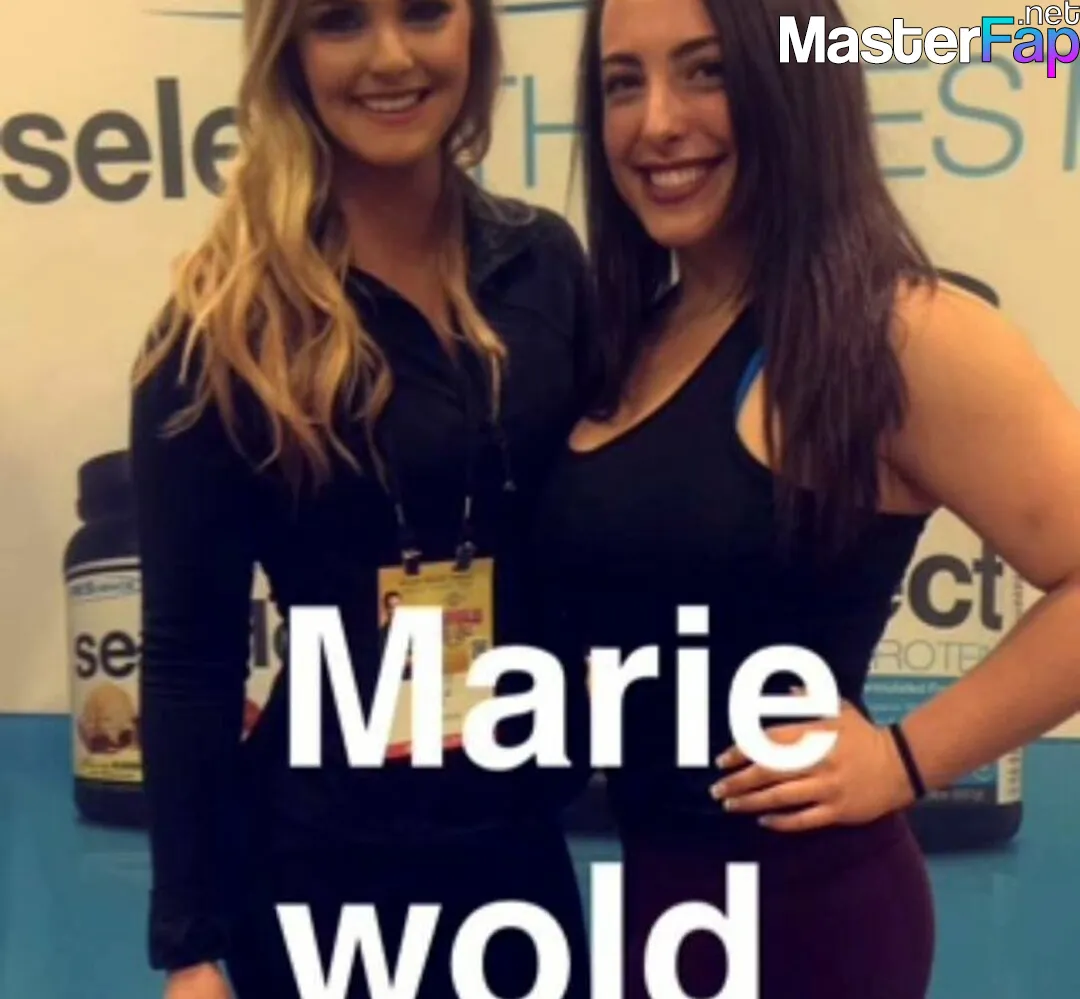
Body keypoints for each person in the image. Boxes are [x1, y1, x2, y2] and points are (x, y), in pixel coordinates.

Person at [531, 0, 1080, 996]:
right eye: (622, 83)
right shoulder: (639, 335)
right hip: (658, 896)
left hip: (807, 919)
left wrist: (905, 760)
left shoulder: (897, 333)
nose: (657, 122)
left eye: (706, 71)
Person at [129, 0, 596, 997]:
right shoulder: (220, 327)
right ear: (287, 53)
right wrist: (191, 947)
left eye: (424, 12)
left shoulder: (545, 266)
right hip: (318, 867)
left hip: (518, 849)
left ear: (473, 31)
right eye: (340, 20)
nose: (390, 57)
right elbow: (188, 656)